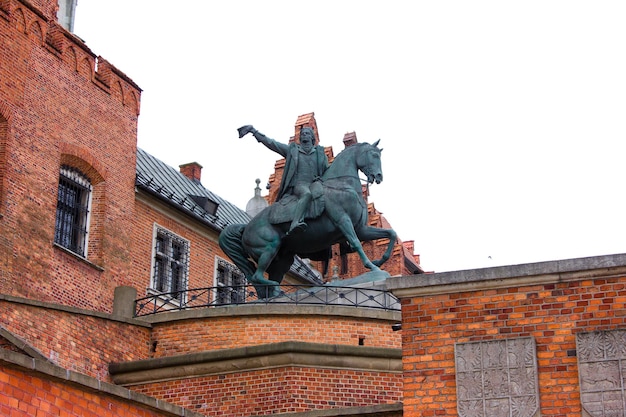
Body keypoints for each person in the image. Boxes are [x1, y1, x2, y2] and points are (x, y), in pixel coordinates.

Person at [238, 125, 329, 235]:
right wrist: (255, 132)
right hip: (300, 185)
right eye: (303, 133)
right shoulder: (293, 151)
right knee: (306, 195)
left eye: (307, 133)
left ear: (312, 137)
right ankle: (295, 222)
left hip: (315, 184)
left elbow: (327, 170)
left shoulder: (319, 154)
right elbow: (272, 144)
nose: (304, 135)